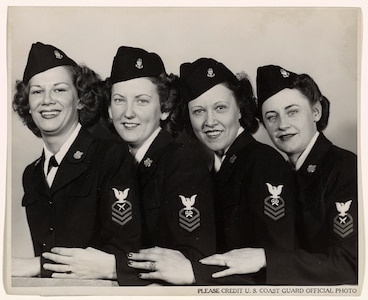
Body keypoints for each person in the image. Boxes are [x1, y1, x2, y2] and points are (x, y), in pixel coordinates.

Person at [12, 42, 141, 285]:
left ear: (80, 99)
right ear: (27, 105)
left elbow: (121, 254)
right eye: (37, 92)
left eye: (59, 90)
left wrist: (36, 266)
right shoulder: (32, 173)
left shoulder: (109, 156)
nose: (47, 101)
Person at [102, 46, 216, 285]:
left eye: (142, 101)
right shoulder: (110, 162)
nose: (128, 113)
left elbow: (191, 259)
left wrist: (113, 267)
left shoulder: (182, 161)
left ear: (164, 109)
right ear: (110, 109)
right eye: (119, 100)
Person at [180, 58, 297, 284]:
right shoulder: (209, 166)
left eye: (220, 108)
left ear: (240, 108)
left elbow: (276, 264)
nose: (210, 121)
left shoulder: (263, 162)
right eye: (198, 111)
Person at [254, 65, 357, 284]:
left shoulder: (345, 168)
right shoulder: (277, 174)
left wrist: (266, 259)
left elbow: (350, 266)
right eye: (271, 117)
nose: (282, 125)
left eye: (292, 112)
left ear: (316, 112)